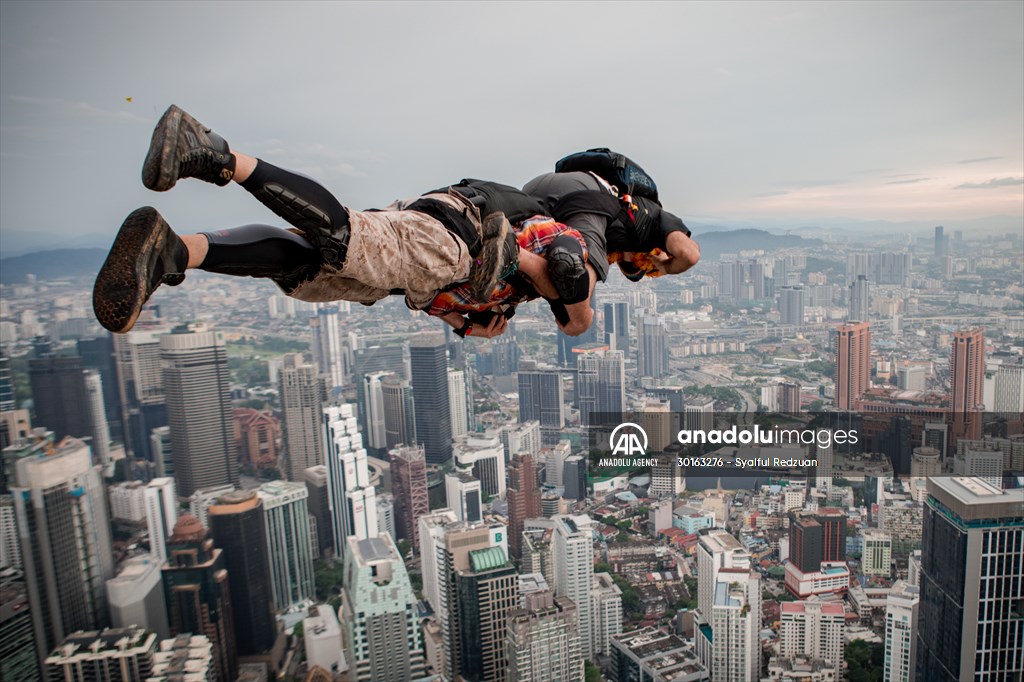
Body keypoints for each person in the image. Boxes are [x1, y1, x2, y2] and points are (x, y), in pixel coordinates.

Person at [93, 105, 520, 334]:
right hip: (451, 238)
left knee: (303, 266)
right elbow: (563, 282)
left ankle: (171, 250)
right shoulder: (572, 226)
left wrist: (463, 325)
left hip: (422, 274)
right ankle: (213, 151)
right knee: (343, 238)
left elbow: (434, 295)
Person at [522, 158, 701, 291]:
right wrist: (666, 267)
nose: (632, 261)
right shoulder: (653, 217)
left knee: (530, 269)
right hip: (579, 192)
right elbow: (689, 254)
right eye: (638, 265)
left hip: (538, 194)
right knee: (578, 286)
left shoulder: (613, 242)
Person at [426, 214, 593, 339]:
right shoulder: (443, 303)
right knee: (567, 302)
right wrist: (469, 329)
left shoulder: (493, 295)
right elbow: (426, 304)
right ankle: (516, 254)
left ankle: (516, 254)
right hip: (547, 238)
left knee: (576, 321)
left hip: (550, 240)